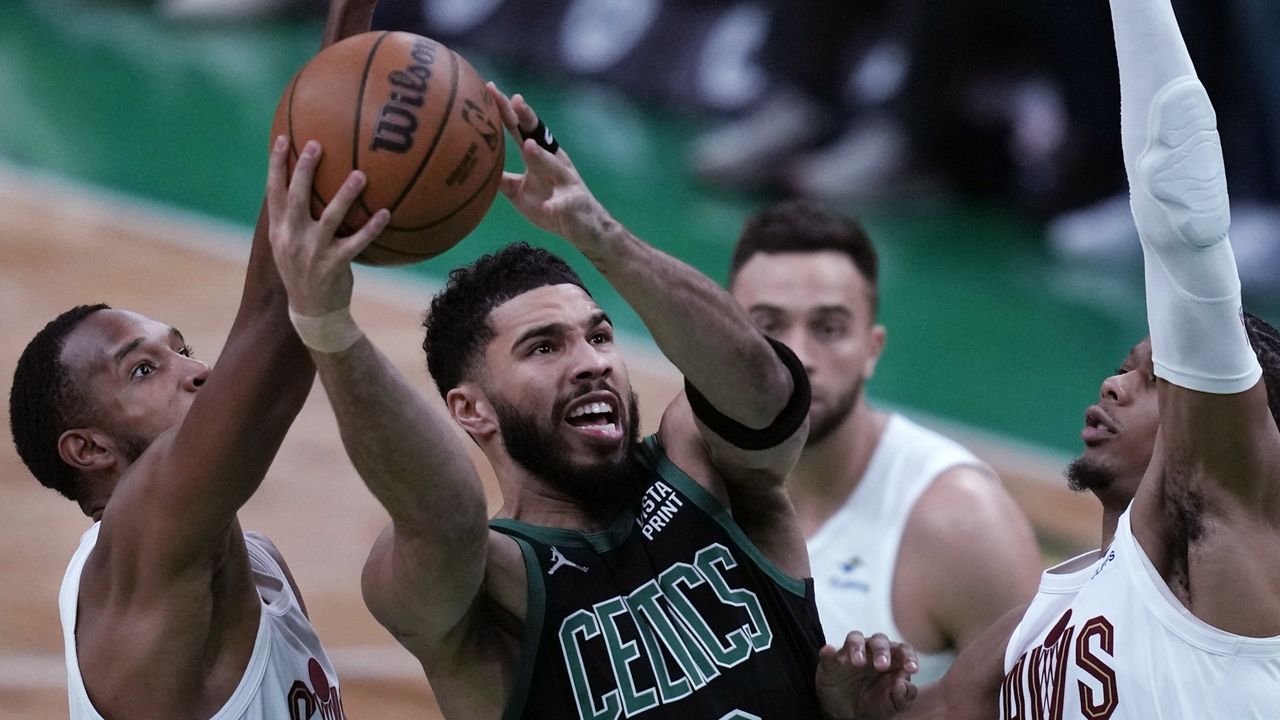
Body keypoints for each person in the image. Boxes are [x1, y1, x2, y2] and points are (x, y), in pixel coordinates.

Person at [266, 82, 917, 718]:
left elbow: (769, 395)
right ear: (472, 409)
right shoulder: (490, 584)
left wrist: (598, 233)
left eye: (599, 335)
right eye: (544, 348)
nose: (590, 363)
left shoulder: (704, 467)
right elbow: (443, 517)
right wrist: (329, 328)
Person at [817, 0, 1280, 715]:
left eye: (1156, 381)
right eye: (1127, 366)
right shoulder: (1038, 622)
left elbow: (1180, 201)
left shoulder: (1223, 570)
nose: (1115, 385)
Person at [5, 3, 384, 716]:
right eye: (144, 370)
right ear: (88, 448)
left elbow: (267, 318)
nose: (200, 371)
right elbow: (273, 328)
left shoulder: (257, 566)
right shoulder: (136, 556)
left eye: (183, 349)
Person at [726, 199, 1042, 684]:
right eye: (769, 327)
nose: (798, 356)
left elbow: (1036, 704)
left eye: (828, 328)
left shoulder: (961, 521)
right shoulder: (685, 483)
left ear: (872, 350)